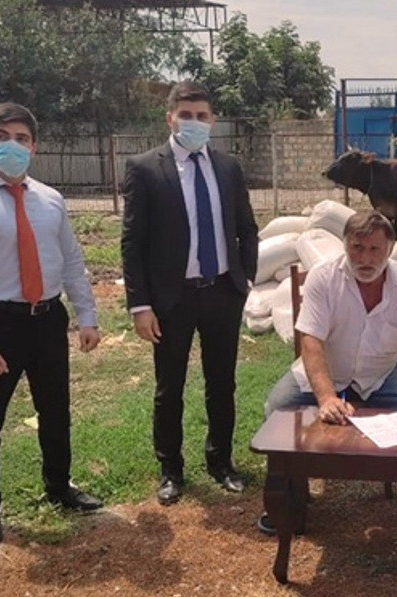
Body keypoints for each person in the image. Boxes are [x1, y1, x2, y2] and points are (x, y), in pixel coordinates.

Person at [256, 211, 397, 536]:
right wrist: (326, 397)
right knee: (277, 408)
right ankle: (288, 499)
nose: (365, 258)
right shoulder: (323, 278)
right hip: (325, 372)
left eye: (375, 249)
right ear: (345, 245)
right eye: (357, 248)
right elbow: (311, 341)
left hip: (382, 374)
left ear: (390, 249)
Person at [0, 102, 104, 547]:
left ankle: (59, 486)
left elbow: (71, 261)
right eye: (3, 137)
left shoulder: (50, 200)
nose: (12, 145)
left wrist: (86, 316)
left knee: (56, 412)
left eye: (22, 139)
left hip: (47, 319)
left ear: (34, 147)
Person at [121, 81, 259, 504]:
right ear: (170, 118)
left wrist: (245, 281)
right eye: (186, 115)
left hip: (222, 292)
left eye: (202, 116)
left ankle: (221, 462)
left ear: (212, 120)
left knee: (222, 383)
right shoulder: (145, 168)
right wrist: (140, 305)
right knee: (170, 387)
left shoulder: (228, 168)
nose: (194, 122)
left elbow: (247, 228)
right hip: (171, 298)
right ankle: (171, 470)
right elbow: (132, 242)